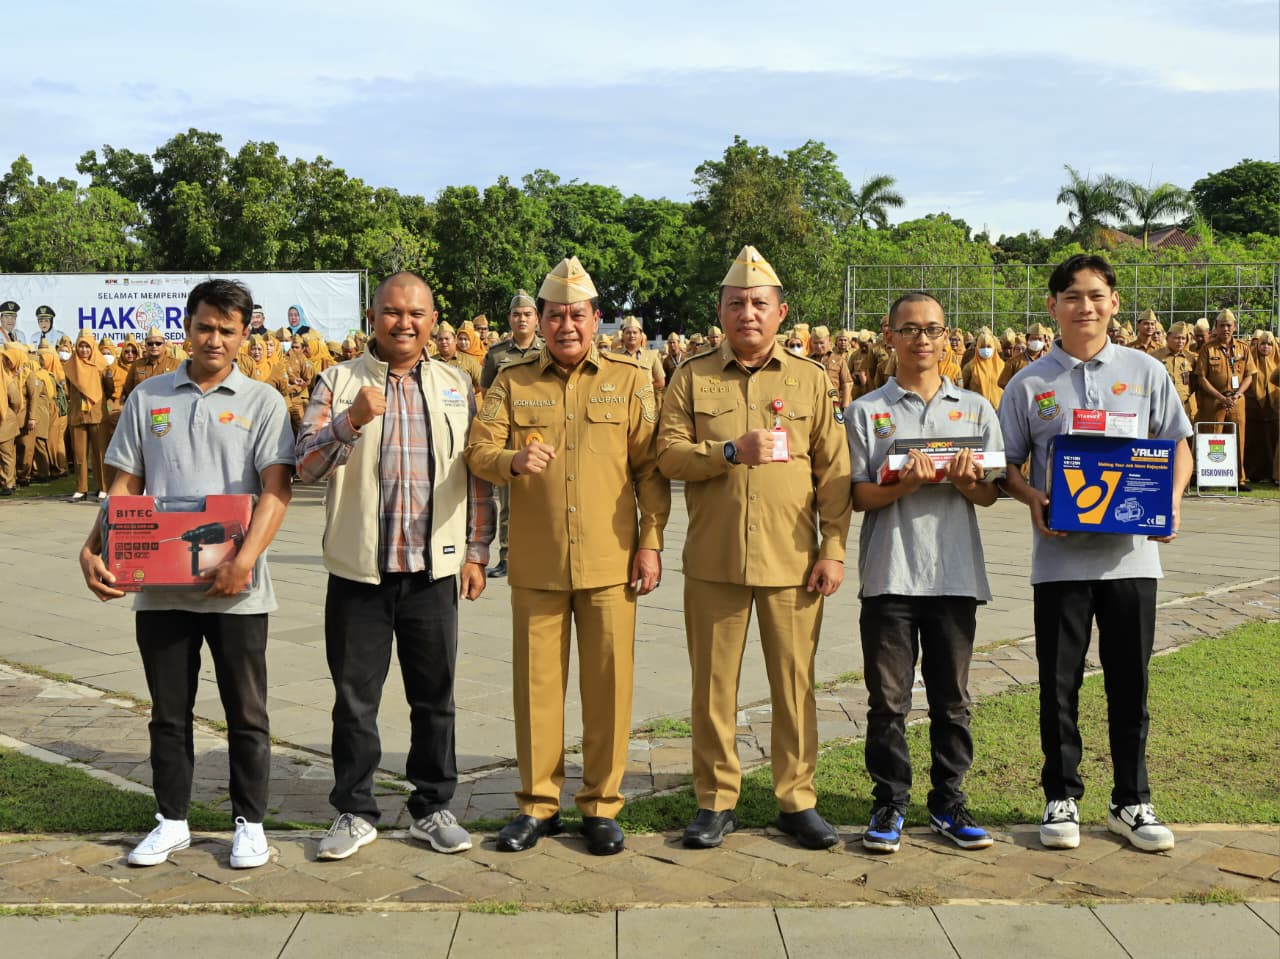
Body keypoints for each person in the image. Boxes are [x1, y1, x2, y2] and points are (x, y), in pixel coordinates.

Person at [77, 278, 295, 870]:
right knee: (167, 713)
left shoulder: (263, 402)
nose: (214, 338)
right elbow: (124, 486)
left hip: (237, 591)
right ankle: (171, 820)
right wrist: (94, 546)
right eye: (205, 326)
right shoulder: (150, 398)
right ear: (188, 327)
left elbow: (276, 492)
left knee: (247, 714)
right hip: (161, 587)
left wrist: (243, 561)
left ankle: (250, 824)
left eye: (228, 329)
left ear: (245, 332)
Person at [464, 256, 670, 857]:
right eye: (555, 316)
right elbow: (479, 449)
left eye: (577, 316)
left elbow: (650, 470)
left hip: (612, 561)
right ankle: (537, 804)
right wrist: (512, 462)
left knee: (609, 687)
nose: (566, 327)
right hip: (537, 561)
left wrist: (651, 541)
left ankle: (603, 805)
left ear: (596, 319)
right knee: (536, 689)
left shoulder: (631, 378)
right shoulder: (512, 379)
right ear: (541, 322)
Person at [656, 245, 852, 851]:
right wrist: (727, 453)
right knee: (713, 688)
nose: (747, 313)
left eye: (759, 303)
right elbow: (665, 455)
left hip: (793, 560)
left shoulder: (810, 379)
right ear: (720, 311)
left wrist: (834, 550)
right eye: (736, 303)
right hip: (715, 561)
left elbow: (834, 472)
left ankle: (797, 798)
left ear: (781, 312)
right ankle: (716, 799)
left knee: (795, 685)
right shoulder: (691, 377)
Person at [296, 271, 493, 861]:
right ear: (371, 317)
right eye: (391, 312)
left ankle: (432, 807)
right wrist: (349, 421)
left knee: (435, 697)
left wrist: (478, 552)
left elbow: (476, 476)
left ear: (433, 321)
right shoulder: (337, 381)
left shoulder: (456, 384)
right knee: (355, 699)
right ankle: (354, 811)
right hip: (361, 570)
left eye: (416, 313)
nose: (403, 323)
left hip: (433, 569)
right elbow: (304, 466)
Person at [998, 254, 1192, 854]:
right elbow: (1004, 463)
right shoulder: (1028, 383)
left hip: (1132, 559)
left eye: (1097, 295)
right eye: (1073, 296)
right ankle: (1061, 795)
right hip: (1059, 561)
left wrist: (1174, 500)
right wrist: (1031, 495)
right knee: (1059, 686)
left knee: (1130, 682)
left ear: (1114, 303)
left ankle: (1132, 800)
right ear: (1053, 306)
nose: (1086, 306)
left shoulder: (1145, 371)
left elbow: (1178, 443)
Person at [846, 292, 1003, 854]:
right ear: (889, 336)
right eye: (909, 329)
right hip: (891, 573)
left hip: (954, 572)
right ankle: (889, 801)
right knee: (887, 702)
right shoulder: (866, 411)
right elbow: (857, 496)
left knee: (952, 699)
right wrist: (904, 485)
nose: (921, 340)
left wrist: (964, 479)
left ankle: (948, 801)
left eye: (932, 330)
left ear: (947, 338)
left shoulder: (976, 408)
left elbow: (988, 493)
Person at [480, 290, 543, 579]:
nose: (522, 319)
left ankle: (544, 554)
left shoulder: (546, 350)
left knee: (546, 496)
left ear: (536, 319)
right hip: (508, 436)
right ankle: (507, 556)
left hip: (542, 433)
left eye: (527, 314)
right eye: (517, 314)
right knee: (507, 501)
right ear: (509, 319)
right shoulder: (497, 354)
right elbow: (487, 394)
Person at [1194, 309, 1256, 489]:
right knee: (1212, 437)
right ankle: (1208, 478)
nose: (1226, 329)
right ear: (1215, 328)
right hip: (1214, 400)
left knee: (1238, 438)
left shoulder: (1243, 347)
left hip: (1237, 400)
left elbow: (1249, 375)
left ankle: (1238, 480)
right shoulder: (1208, 349)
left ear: (1234, 327)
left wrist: (1237, 395)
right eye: (1222, 326)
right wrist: (1220, 397)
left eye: (1229, 325)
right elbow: (1202, 378)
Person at [65, 330, 114, 502]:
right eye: (81, 346)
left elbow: (110, 390)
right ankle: (80, 489)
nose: (84, 350)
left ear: (93, 347)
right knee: (79, 454)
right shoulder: (70, 366)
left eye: (87, 346)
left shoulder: (102, 366)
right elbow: (67, 391)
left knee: (100, 453)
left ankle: (103, 487)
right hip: (77, 415)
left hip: (97, 415)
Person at [1244, 330, 1277, 484]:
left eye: (1269, 344)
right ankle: (1253, 473)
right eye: (1263, 344)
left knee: (1272, 441)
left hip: (1274, 409)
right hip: (1253, 408)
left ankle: (1272, 473)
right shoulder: (1250, 361)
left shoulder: (1277, 363)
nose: (1266, 347)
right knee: (1254, 442)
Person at [122, 327, 181, 401]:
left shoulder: (176, 364)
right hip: (143, 408)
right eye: (150, 344)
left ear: (164, 345)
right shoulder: (137, 365)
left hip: (168, 407)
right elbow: (129, 389)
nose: (154, 346)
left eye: (158, 343)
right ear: (145, 346)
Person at [433, 322, 483, 394]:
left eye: (447, 339)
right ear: (436, 341)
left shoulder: (470, 361)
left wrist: (465, 393)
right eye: (440, 339)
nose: (443, 342)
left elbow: (480, 384)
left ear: (455, 340)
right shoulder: (431, 362)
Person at [810, 325, 854, 408]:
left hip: (834, 404)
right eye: (815, 343)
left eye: (821, 343)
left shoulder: (838, 360)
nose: (818, 346)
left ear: (829, 341)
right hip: (814, 404)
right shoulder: (808, 360)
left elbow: (847, 384)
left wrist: (845, 406)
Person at [961, 328, 1004, 409]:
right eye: (982, 347)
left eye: (988, 346)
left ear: (994, 347)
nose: (986, 349)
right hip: (976, 409)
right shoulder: (970, 367)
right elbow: (963, 387)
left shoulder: (1002, 366)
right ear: (977, 348)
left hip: (998, 410)